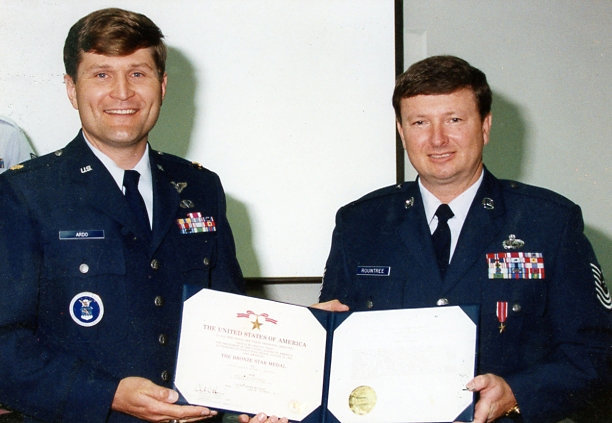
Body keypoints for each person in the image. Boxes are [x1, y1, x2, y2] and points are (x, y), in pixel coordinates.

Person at [0, 8, 286, 423]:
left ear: (162, 85)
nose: (122, 93)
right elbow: (5, 343)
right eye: (101, 74)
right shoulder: (24, 194)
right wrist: (108, 395)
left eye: (138, 73)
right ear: (71, 88)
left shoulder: (201, 189)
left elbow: (231, 321)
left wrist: (269, 383)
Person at [318, 55, 611, 423]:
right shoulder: (359, 223)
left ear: (485, 126)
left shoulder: (549, 222)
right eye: (420, 122)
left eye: (454, 120)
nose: (437, 139)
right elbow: (330, 341)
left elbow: (595, 353)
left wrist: (517, 393)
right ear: (401, 131)